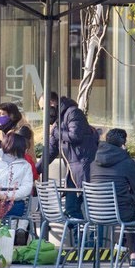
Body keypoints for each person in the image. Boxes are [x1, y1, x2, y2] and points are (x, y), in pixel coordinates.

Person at [36, 92, 99, 220]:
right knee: (71, 208)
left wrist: (56, 131)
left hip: (84, 167)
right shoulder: (57, 123)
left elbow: (76, 135)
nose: (43, 113)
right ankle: (78, 238)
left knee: (86, 206)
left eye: (43, 108)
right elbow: (51, 151)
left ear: (52, 103)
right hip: (72, 170)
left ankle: (88, 238)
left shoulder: (73, 113)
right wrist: (35, 170)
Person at [90, 128, 135, 268]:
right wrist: (130, 199)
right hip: (120, 213)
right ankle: (133, 256)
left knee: (126, 211)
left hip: (96, 213)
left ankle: (121, 245)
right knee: (130, 214)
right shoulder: (127, 162)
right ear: (123, 144)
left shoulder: (93, 163)